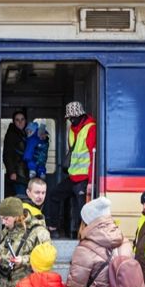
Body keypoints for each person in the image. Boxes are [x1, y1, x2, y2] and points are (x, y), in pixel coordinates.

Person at [45, 101, 97, 239]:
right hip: (73, 176)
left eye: (74, 118)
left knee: (82, 210)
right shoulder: (72, 130)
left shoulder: (90, 128)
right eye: (69, 118)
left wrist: (91, 182)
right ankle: (53, 228)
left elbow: (93, 156)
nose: (71, 120)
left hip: (85, 178)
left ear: (81, 116)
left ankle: (83, 237)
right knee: (54, 194)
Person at [3, 109, 28, 197]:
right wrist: (11, 172)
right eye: (17, 120)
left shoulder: (26, 133)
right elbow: (7, 155)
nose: (20, 122)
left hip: (25, 172)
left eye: (22, 119)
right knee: (21, 196)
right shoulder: (11, 135)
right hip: (18, 173)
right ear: (14, 122)